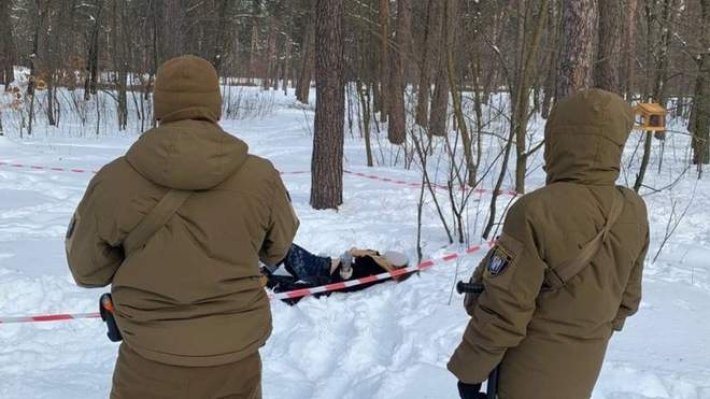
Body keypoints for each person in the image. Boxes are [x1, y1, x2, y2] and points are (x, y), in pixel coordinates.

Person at [65, 55, 299, 399]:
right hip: (234, 363)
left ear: (159, 105)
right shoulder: (261, 177)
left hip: (147, 363)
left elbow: (87, 270)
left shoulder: (114, 180)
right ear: (215, 104)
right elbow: (278, 250)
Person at [448, 89, 650, 399]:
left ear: (556, 139)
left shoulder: (534, 211)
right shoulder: (633, 208)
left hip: (526, 371)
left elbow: (504, 309)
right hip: (585, 367)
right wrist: (587, 333)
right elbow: (628, 300)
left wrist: (470, 373)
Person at [262, 243, 410, 299]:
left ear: (393, 266)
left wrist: (346, 269)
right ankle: (263, 273)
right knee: (284, 246)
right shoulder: (377, 258)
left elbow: (351, 282)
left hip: (324, 270)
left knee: (285, 247)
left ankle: (262, 275)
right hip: (325, 264)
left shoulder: (376, 271)